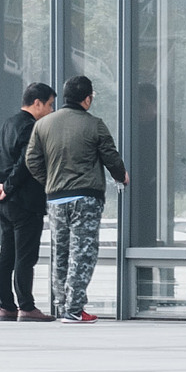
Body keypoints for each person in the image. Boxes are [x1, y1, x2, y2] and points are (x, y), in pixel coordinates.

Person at [25, 74, 128, 324]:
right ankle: (74, 308)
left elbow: (32, 161)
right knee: (83, 253)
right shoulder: (94, 124)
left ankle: (62, 306)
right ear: (88, 99)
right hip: (86, 198)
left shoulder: (43, 125)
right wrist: (121, 176)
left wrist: (50, 181)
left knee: (59, 252)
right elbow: (110, 157)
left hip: (56, 199)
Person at [0, 83, 56, 320]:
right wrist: (6, 188)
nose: (50, 110)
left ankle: (5, 306)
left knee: (7, 254)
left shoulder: (8, 124)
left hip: (5, 204)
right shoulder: (31, 127)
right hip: (25, 202)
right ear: (36, 103)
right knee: (25, 257)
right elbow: (27, 162)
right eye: (49, 105)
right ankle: (27, 307)